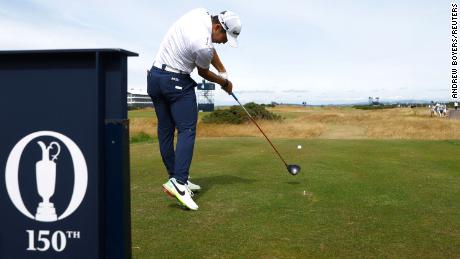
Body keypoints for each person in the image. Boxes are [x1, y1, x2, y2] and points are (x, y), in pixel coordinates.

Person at [147, 8, 242, 210]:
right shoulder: (204, 45)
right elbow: (203, 71)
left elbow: (210, 48)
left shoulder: (200, 13)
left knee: (165, 131)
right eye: (225, 37)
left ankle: (175, 178)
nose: (224, 42)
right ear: (217, 27)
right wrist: (224, 83)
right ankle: (179, 184)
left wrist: (223, 70)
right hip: (175, 82)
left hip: (154, 77)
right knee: (187, 129)